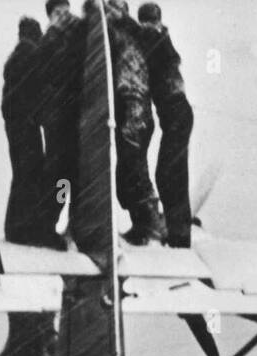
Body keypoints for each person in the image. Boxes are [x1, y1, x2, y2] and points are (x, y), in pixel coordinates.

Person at [107, 1, 166, 244]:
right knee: (127, 175)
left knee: (134, 169)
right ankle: (143, 225)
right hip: (132, 111)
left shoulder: (126, 33)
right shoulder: (125, 33)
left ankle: (151, 225)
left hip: (135, 110)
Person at [138, 2, 194, 247]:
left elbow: (144, 36)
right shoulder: (162, 39)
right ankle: (178, 230)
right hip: (177, 115)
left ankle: (179, 233)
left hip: (176, 115)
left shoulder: (155, 37)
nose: (150, 25)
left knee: (168, 174)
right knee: (171, 174)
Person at [32, 0, 85, 248]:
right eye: (59, 11)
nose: (65, 14)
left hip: (72, 120)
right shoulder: (50, 39)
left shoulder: (68, 37)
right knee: (60, 175)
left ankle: (73, 224)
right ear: (52, 15)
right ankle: (48, 226)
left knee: (73, 175)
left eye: (66, 9)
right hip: (58, 121)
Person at [2, 16, 46, 244]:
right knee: (31, 173)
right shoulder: (29, 53)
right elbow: (38, 87)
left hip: (17, 125)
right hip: (25, 125)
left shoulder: (16, 55)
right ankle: (24, 229)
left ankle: (16, 228)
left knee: (23, 174)